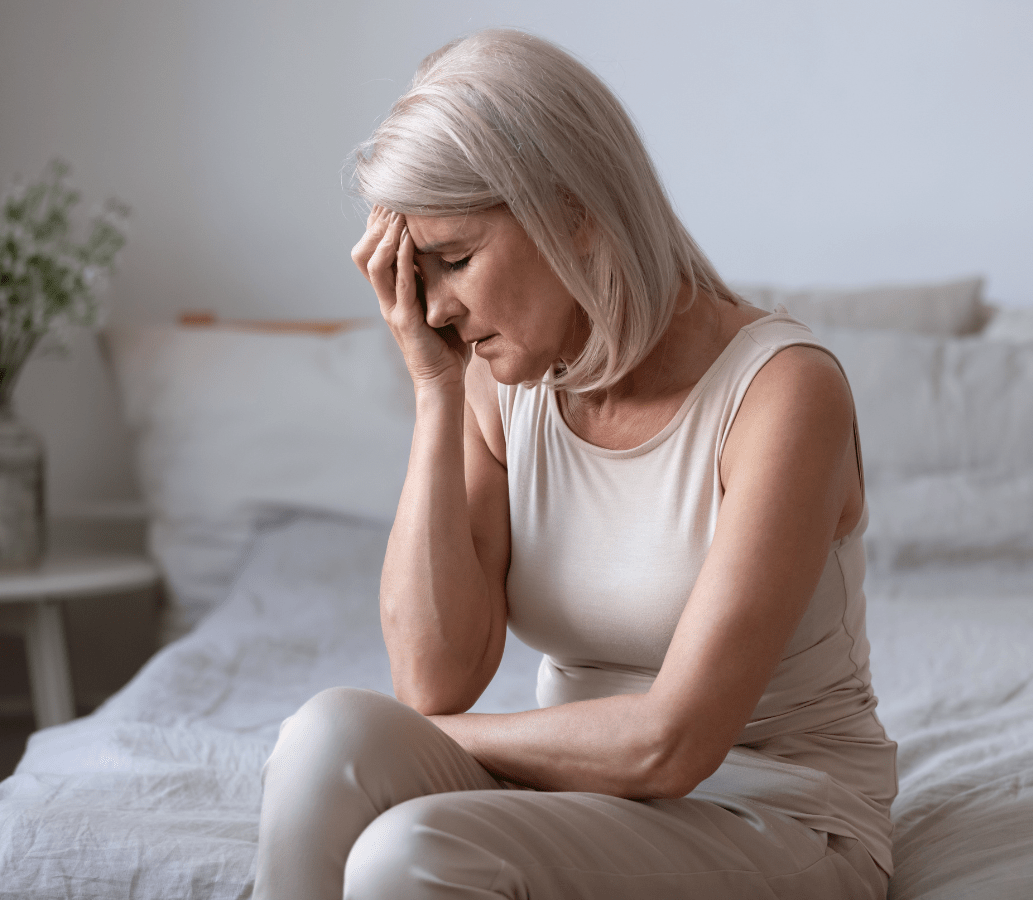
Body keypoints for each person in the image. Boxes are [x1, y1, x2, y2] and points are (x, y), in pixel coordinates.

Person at [254, 28, 896, 900]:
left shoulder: (783, 394)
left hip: (779, 816)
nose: (437, 307)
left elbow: (672, 743)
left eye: (457, 260)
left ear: (575, 211)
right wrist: (435, 389)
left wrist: (448, 736)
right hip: (577, 797)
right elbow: (435, 677)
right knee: (327, 736)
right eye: (421, 271)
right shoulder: (494, 378)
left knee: (410, 853)